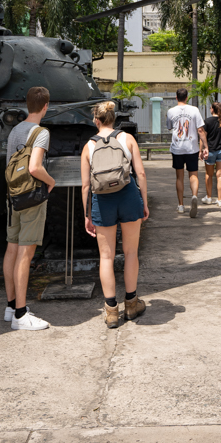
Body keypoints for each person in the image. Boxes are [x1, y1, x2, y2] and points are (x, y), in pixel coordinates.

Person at [82, 100, 150, 328]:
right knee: (131, 252)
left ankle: (111, 311)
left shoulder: (88, 146)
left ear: (96, 120)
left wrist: (87, 214)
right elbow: (140, 173)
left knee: (106, 256)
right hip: (129, 195)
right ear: (114, 119)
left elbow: (85, 186)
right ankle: (131, 304)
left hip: (102, 200)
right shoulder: (127, 139)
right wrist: (144, 202)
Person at [3, 86, 57, 331]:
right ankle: (21, 316)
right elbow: (35, 167)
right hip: (32, 198)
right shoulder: (41, 132)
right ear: (45, 106)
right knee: (26, 254)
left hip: (13, 197)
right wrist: (51, 181)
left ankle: (11, 306)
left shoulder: (15, 130)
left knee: (11, 249)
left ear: (27, 105)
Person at [165, 88, 205, 217]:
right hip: (191, 147)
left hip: (177, 148)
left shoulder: (171, 111)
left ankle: (181, 205)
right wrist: (206, 146)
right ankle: (194, 196)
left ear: (176, 98)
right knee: (193, 175)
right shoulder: (194, 110)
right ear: (187, 97)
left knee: (179, 176)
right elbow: (200, 130)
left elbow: (169, 127)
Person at [200, 101, 221, 207]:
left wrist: (201, 150)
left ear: (212, 109)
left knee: (209, 174)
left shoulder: (207, 121)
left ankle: (209, 198)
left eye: (210, 108)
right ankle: (220, 200)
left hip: (211, 151)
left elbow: (203, 137)